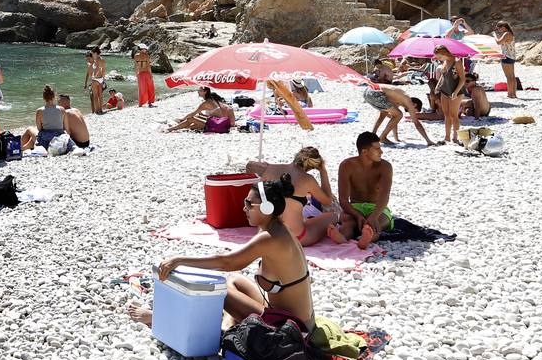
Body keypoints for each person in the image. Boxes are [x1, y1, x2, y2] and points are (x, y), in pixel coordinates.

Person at [128, 177, 314, 333]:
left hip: (292, 329)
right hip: (296, 319)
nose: (244, 209)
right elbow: (232, 266)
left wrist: (180, 260)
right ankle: (226, 325)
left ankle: (161, 319)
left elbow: (227, 262)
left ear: (266, 208)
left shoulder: (268, 238)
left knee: (215, 290)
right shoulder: (279, 229)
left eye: (249, 204)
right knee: (233, 280)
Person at [246, 147, 339, 246]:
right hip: (296, 238)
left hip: (266, 234)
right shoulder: (308, 179)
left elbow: (249, 166)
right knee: (333, 216)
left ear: (296, 156)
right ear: (311, 167)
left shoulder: (269, 169)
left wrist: (258, 165)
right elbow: (328, 201)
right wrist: (323, 171)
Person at [328, 132, 392, 250]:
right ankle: (342, 237)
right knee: (348, 222)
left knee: (376, 223)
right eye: (377, 149)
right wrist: (357, 215)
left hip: (377, 207)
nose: (381, 152)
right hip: (355, 207)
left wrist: (373, 216)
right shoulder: (346, 165)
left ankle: (367, 239)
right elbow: (343, 199)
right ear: (364, 152)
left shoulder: (385, 167)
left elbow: (384, 197)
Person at [363, 62, 435, 146]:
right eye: (415, 111)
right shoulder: (407, 100)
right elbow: (417, 124)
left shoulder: (398, 100)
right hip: (375, 92)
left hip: (367, 91)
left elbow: (391, 119)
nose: (413, 113)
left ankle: (373, 135)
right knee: (399, 114)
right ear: (414, 105)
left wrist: (396, 138)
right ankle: (382, 137)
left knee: (388, 113)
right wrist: (428, 140)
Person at [431, 46, 465, 145]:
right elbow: (443, 76)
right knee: (446, 115)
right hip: (445, 89)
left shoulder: (457, 62)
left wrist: (456, 92)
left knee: (454, 115)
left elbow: (462, 79)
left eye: (439, 56)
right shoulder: (445, 62)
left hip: (456, 90)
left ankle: (455, 137)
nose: (438, 59)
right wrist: (437, 86)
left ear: (444, 53)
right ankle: (447, 137)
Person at [166, 86, 235, 133]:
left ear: (205, 92)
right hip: (216, 123)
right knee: (194, 121)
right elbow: (214, 117)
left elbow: (192, 114)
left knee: (190, 119)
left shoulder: (205, 103)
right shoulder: (211, 100)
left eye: (200, 90)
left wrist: (182, 119)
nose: (198, 91)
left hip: (215, 125)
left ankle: (171, 129)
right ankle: (177, 127)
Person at [21, 85, 67, 150]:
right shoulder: (62, 109)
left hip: (45, 141)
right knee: (34, 136)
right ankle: (26, 146)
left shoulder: (40, 111)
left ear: (43, 98)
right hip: (60, 140)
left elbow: (39, 129)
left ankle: (20, 148)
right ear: (54, 97)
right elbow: (65, 127)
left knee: (29, 129)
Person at [492, 21, 519, 99]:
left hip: (506, 56)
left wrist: (494, 36)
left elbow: (498, 42)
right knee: (512, 76)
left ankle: (510, 94)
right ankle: (513, 94)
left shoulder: (506, 34)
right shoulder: (510, 34)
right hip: (512, 56)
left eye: (499, 28)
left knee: (509, 76)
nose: (498, 30)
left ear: (503, 27)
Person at [85, 48, 107, 114]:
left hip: (95, 79)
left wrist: (93, 76)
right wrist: (103, 79)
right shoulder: (102, 60)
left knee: (95, 96)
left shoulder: (95, 60)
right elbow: (103, 70)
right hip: (100, 79)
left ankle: (97, 110)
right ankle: (100, 109)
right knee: (100, 96)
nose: (92, 54)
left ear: (95, 53)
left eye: (92, 53)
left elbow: (96, 70)